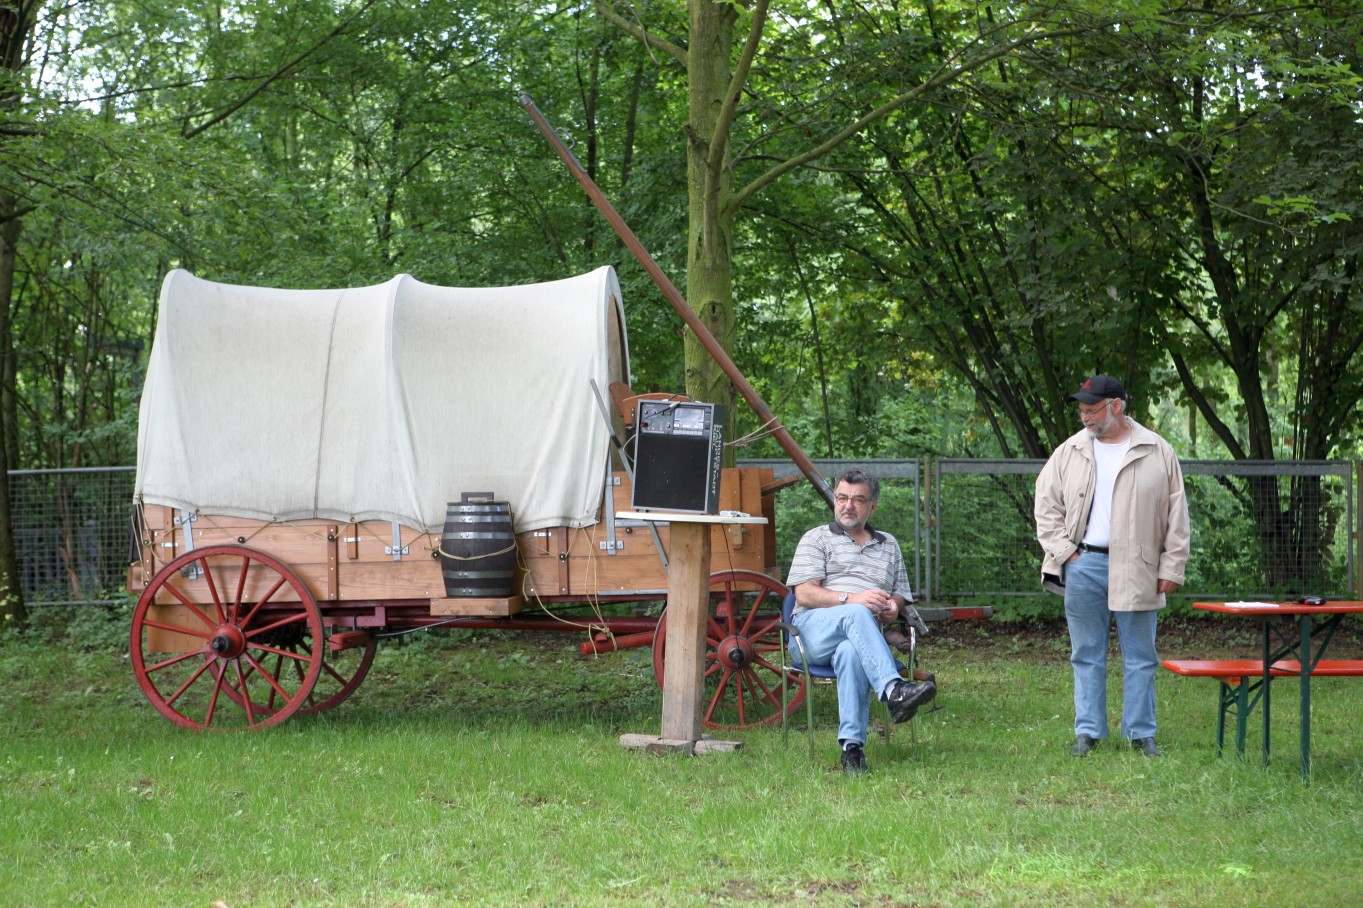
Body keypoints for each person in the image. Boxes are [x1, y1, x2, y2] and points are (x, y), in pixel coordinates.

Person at [1034, 375, 1189, 758]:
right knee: (1086, 653)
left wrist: (1172, 565)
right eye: (1081, 410)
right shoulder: (1069, 451)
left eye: (1091, 409)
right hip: (1084, 564)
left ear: (1116, 406)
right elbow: (1045, 504)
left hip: (1139, 566)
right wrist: (1067, 553)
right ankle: (1087, 731)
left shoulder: (1156, 449)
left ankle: (1141, 734)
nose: (1084, 417)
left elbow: (1177, 513)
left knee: (1141, 655)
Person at [786, 468, 937, 775]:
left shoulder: (888, 545)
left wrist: (892, 607)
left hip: (860, 639)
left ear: (872, 506)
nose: (848, 505)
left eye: (857, 500)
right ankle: (894, 691)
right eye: (842, 498)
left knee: (851, 653)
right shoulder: (816, 538)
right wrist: (851, 599)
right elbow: (804, 593)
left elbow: (900, 594)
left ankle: (852, 751)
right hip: (812, 634)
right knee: (856, 612)